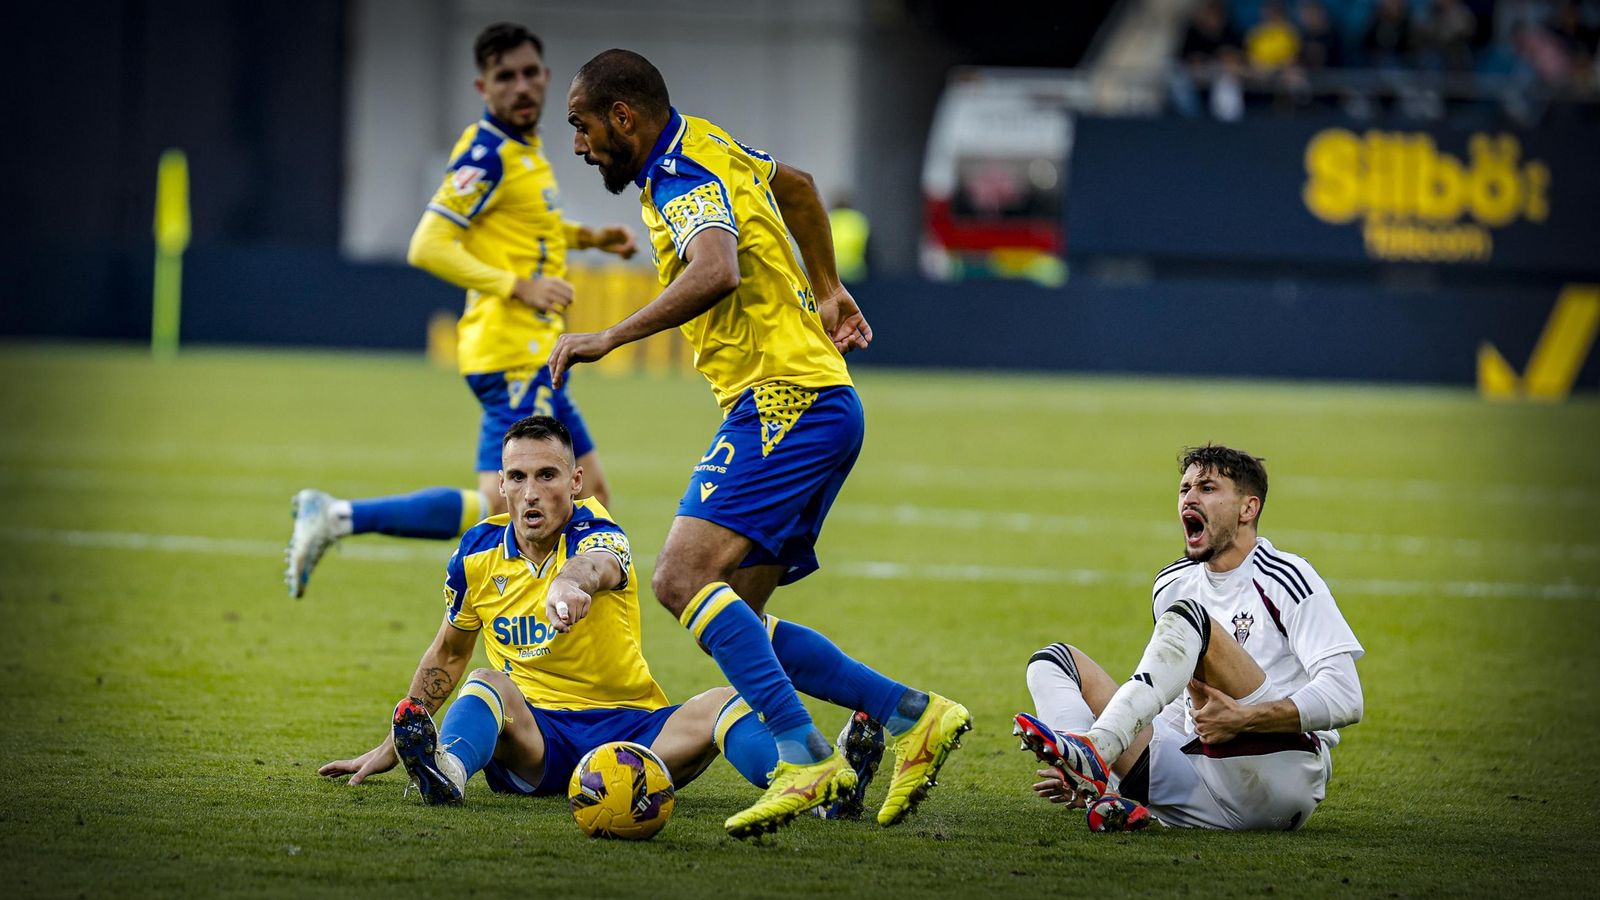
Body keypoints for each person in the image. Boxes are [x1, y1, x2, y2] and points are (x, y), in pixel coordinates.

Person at [552, 49, 971, 838]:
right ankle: (913, 715)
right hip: (820, 401)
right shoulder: (711, 142)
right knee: (738, 614)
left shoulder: (678, 174)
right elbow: (802, 188)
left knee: (679, 578)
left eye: (579, 125)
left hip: (782, 399)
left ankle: (806, 756)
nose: (576, 144)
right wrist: (827, 286)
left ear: (623, 117)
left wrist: (610, 334)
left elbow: (715, 269)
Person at [285, 22, 638, 599]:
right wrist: (516, 286)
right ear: (483, 87)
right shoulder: (487, 154)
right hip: (513, 351)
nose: (521, 86)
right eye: (505, 77)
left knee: (586, 490)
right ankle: (343, 521)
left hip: (531, 352)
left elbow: (530, 229)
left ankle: (339, 518)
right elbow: (428, 243)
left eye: (529, 73)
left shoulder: (526, 153)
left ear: (546, 78)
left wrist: (592, 238)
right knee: (519, 505)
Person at [319, 416, 779, 803]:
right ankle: (447, 771)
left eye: (547, 475)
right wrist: (394, 742)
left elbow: (598, 564)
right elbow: (448, 654)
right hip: (534, 739)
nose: (531, 492)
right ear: (501, 485)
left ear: (575, 482)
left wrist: (569, 582)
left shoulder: (600, 531)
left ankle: (807, 785)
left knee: (722, 703)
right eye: (517, 478)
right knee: (485, 681)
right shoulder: (475, 556)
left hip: (634, 733)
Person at [1015, 444, 1364, 832]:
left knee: (1193, 620)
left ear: (1248, 509)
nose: (1190, 498)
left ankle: (1096, 749)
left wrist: (1243, 719)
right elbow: (1173, 702)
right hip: (1196, 785)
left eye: (1208, 488)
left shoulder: (1285, 575)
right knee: (1052, 661)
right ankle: (1091, 780)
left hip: (1276, 780)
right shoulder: (1172, 582)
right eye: (1184, 489)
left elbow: (1346, 697)